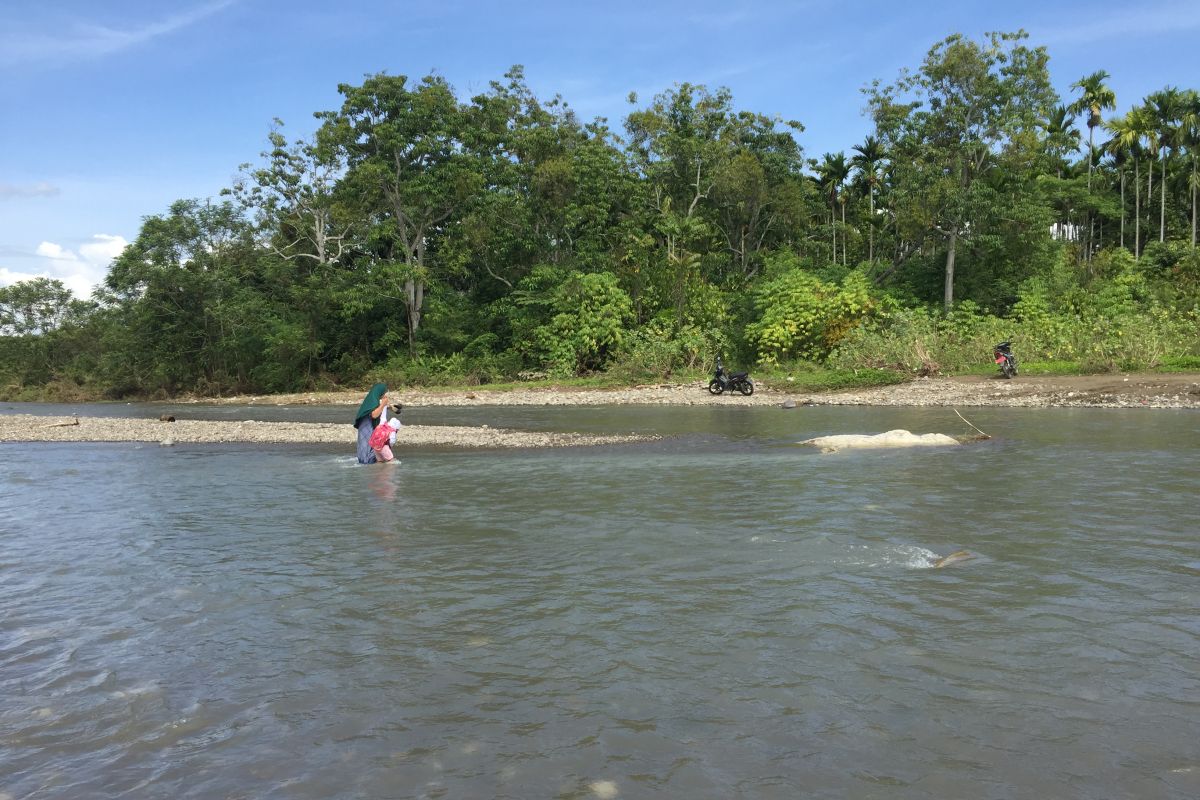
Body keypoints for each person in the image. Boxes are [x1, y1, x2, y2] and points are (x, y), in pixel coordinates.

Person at [353, 383, 389, 464]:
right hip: (367, 426)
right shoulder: (374, 400)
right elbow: (374, 415)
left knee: (364, 445)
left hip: (364, 425)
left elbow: (375, 408)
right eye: (384, 392)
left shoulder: (372, 397)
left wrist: (388, 406)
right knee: (368, 445)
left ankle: (364, 461)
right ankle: (367, 463)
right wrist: (383, 404)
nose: (384, 394)